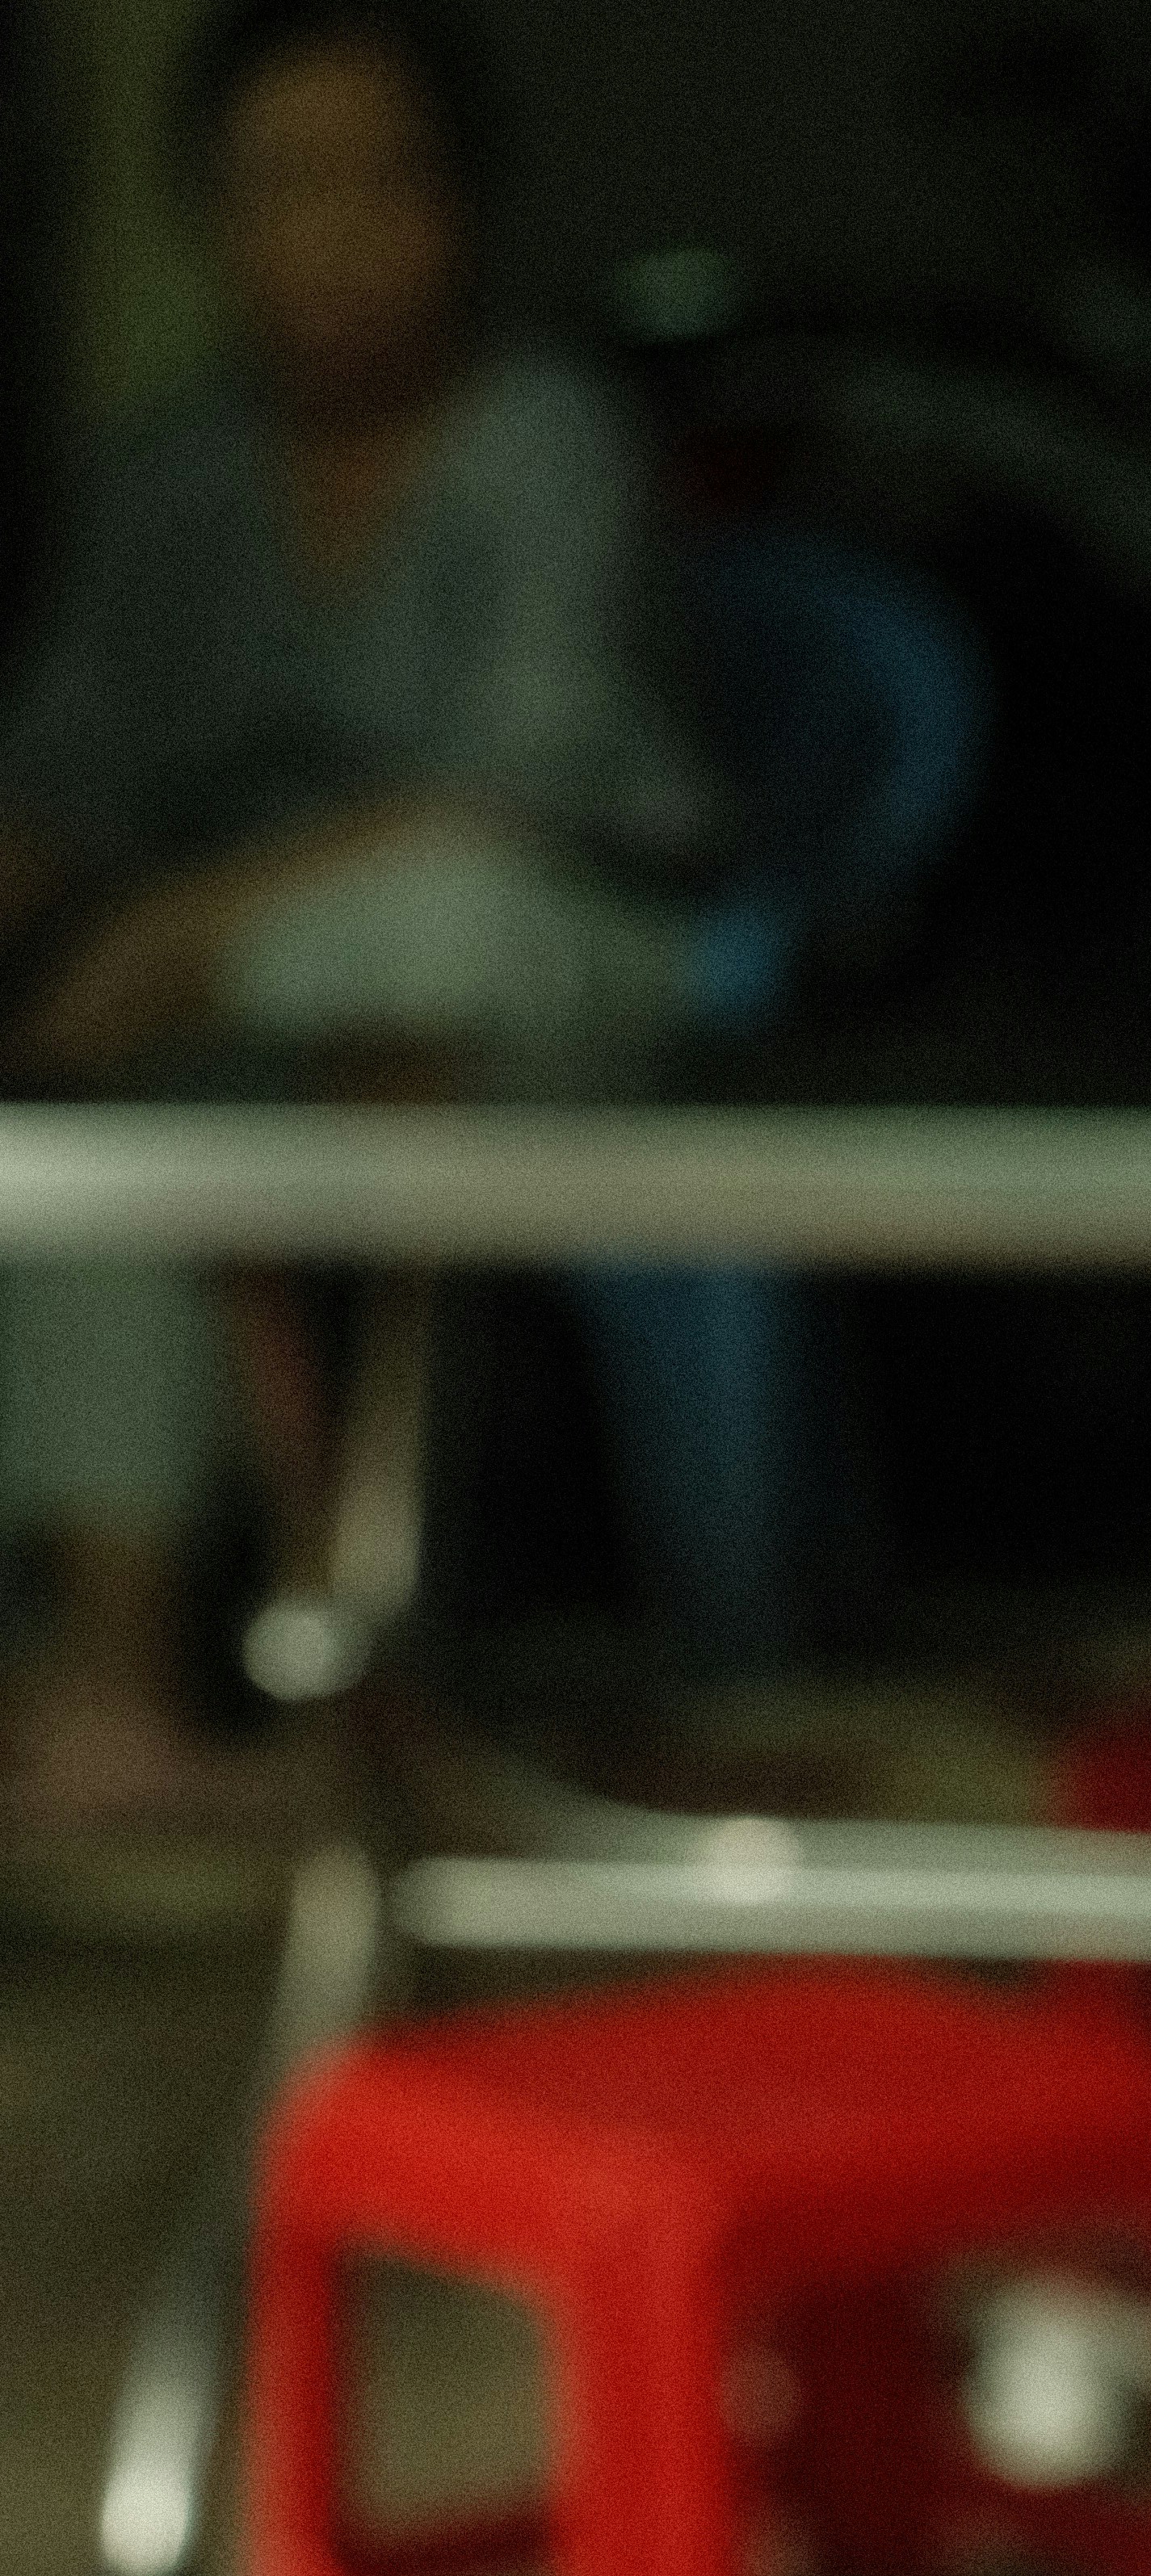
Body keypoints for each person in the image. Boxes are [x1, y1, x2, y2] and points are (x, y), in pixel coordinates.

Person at [0, 0, 723, 1826]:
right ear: (210, 223)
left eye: (385, 180)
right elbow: (63, 793)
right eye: (282, 185)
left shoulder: (545, 440)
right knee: (93, 1157)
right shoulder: (174, 480)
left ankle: (382, 1624)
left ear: (461, 209)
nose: (336, 232)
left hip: (528, 999)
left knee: (432, 919)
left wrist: (189, 938)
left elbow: (520, 793)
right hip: (234, 1054)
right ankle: (121, 1685)